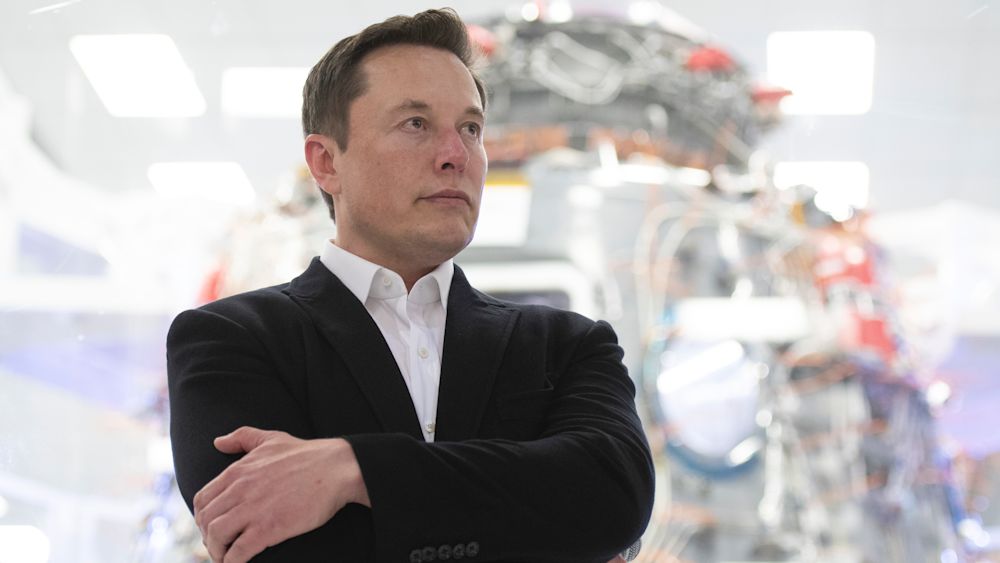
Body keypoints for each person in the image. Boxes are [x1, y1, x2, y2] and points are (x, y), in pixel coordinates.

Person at [167, 8, 654, 562]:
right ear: (326, 163)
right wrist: (539, 516)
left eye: (470, 128)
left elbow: (614, 497)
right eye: (416, 124)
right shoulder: (231, 340)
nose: (456, 155)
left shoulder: (568, 345)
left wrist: (353, 471)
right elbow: (284, 550)